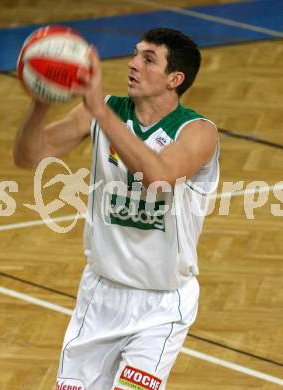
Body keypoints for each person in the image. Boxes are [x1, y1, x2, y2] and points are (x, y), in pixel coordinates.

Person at [14, 27, 219, 390]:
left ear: (175, 79)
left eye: (148, 59)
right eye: (135, 54)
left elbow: (158, 178)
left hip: (160, 306)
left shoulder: (197, 131)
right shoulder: (103, 112)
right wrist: (41, 101)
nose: (133, 64)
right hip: (99, 297)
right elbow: (28, 156)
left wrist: (97, 109)